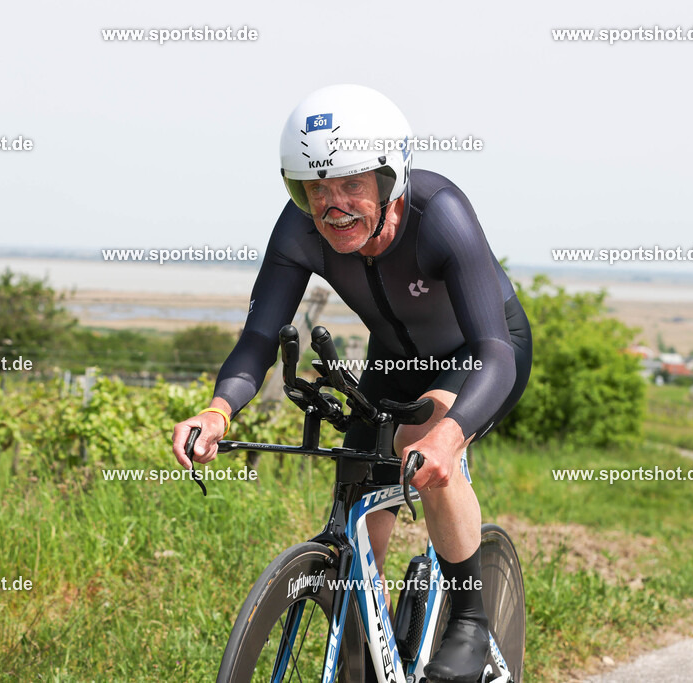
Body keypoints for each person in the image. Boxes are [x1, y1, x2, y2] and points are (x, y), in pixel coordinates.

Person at [172, 84, 531, 683]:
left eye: (351, 185)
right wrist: (218, 411)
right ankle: (369, 645)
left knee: (423, 440)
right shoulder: (297, 231)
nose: (333, 205)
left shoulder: (438, 213)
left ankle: (470, 624)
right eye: (316, 187)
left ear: (389, 181)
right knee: (357, 483)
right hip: (394, 359)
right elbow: (260, 338)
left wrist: (449, 436)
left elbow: (493, 351)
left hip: (483, 353)